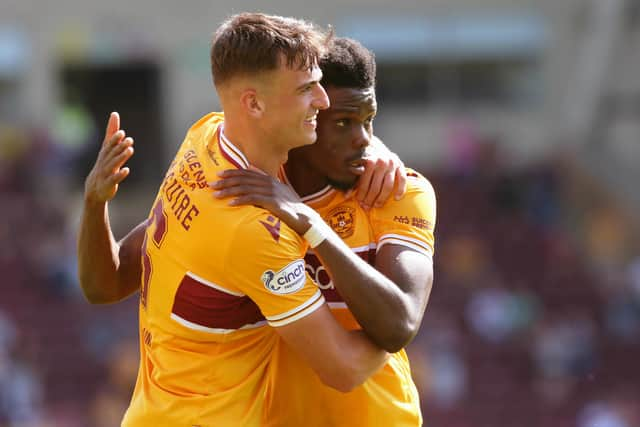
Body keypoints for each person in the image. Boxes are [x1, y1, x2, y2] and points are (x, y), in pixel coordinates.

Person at [80, 35, 436, 426]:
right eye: (343, 123)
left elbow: (400, 323)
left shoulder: (397, 192)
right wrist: (96, 203)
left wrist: (311, 224)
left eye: (369, 121)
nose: (363, 140)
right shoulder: (242, 192)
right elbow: (110, 283)